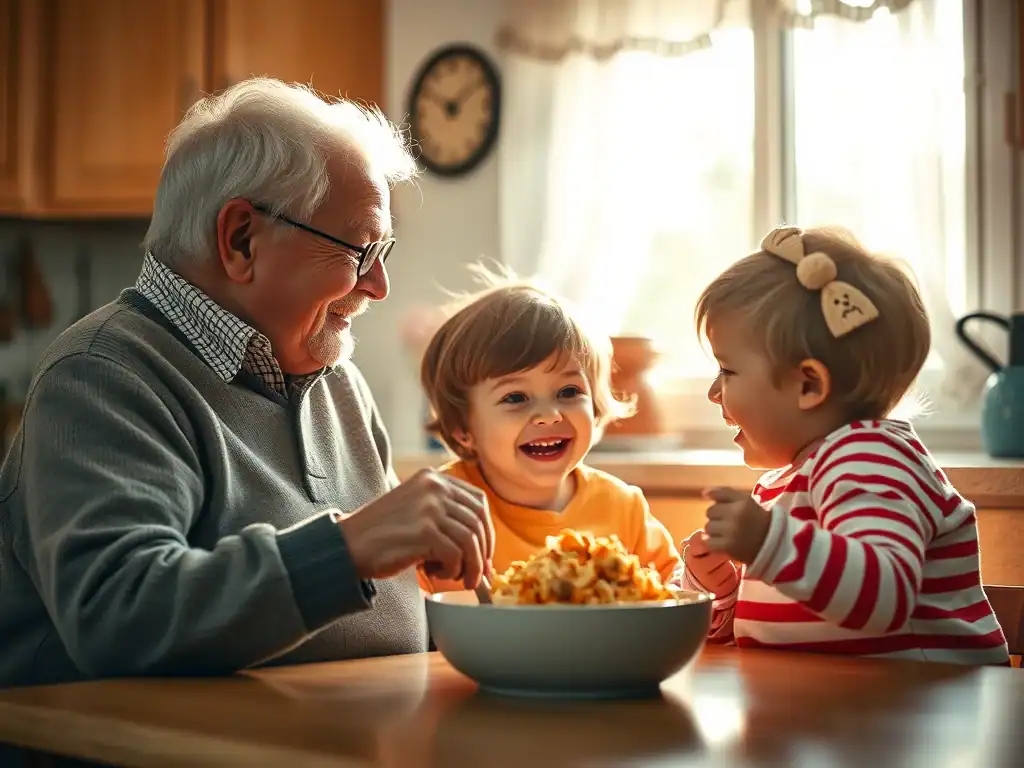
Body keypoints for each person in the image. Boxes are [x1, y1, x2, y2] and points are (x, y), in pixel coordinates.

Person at [0, 78, 494, 688]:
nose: (377, 287)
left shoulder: (336, 379)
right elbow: (118, 617)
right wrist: (349, 548)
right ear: (241, 240)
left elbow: (391, 606)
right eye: (360, 250)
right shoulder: (101, 378)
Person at [680, 224, 1009, 665]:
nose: (713, 392)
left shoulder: (869, 456)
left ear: (809, 384)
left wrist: (766, 543)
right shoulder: (788, 486)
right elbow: (771, 632)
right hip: (830, 720)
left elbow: (881, 597)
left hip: (915, 724)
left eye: (728, 371)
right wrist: (721, 593)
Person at [416, 269, 682, 595]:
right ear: (462, 429)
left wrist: (707, 579)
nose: (548, 415)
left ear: (596, 406)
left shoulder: (624, 508)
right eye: (515, 398)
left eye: (568, 392)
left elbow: (671, 593)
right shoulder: (442, 511)